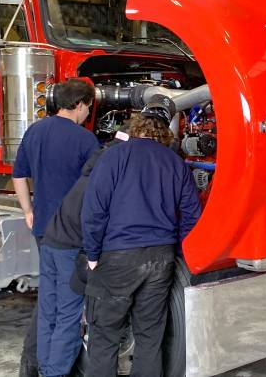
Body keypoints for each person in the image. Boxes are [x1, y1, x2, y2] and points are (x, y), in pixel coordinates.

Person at [82, 96, 202, 377]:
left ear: (138, 124)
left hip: (118, 255)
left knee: (105, 335)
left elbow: (94, 209)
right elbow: (191, 215)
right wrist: (182, 256)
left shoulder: (114, 155)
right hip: (161, 258)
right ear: (164, 131)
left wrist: (92, 253)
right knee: (150, 337)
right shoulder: (175, 162)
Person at [12, 79, 99, 377]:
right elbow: (97, 193)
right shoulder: (86, 140)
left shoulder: (34, 130)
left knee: (48, 303)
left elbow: (18, 175)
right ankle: (55, 372)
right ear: (79, 104)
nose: (88, 113)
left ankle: (36, 365)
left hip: (43, 231)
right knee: (70, 308)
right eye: (88, 107)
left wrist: (28, 211)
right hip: (73, 235)